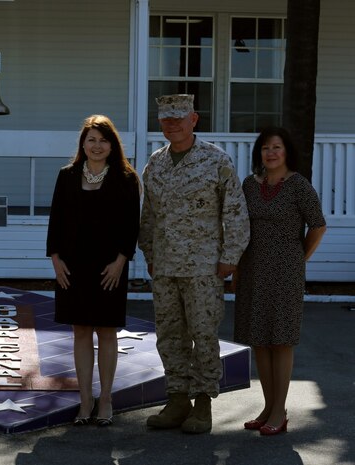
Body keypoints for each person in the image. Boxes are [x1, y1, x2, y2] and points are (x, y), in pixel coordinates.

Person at [138, 94, 250, 434]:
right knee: (169, 336)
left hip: (204, 267)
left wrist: (230, 257)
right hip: (166, 267)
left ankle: (202, 402)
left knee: (203, 335)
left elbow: (235, 210)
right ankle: (177, 400)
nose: (172, 124)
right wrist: (150, 255)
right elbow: (149, 216)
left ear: (194, 119)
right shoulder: (155, 164)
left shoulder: (215, 160)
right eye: (166, 119)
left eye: (179, 118)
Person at [46, 115, 141, 427]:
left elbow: (131, 225)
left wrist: (120, 261)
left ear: (112, 145)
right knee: (81, 331)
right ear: (83, 144)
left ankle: (106, 399)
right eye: (91, 140)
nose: (97, 146)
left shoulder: (126, 178)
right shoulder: (67, 175)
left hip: (109, 268)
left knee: (107, 331)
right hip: (72, 267)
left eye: (103, 140)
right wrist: (56, 259)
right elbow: (56, 220)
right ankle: (85, 399)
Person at [233, 127, 326, 436]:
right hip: (252, 269)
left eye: (276, 147)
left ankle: (279, 411)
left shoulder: (299, 185)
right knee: (259, 338)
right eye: (265, 148)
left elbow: (318, 225)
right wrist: (236, 269)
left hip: (285, 272)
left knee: (281, 339)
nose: (270, 153)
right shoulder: (249, 185)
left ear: (287, 152)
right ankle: (267, 407)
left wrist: (300, 257)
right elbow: (241, 227)